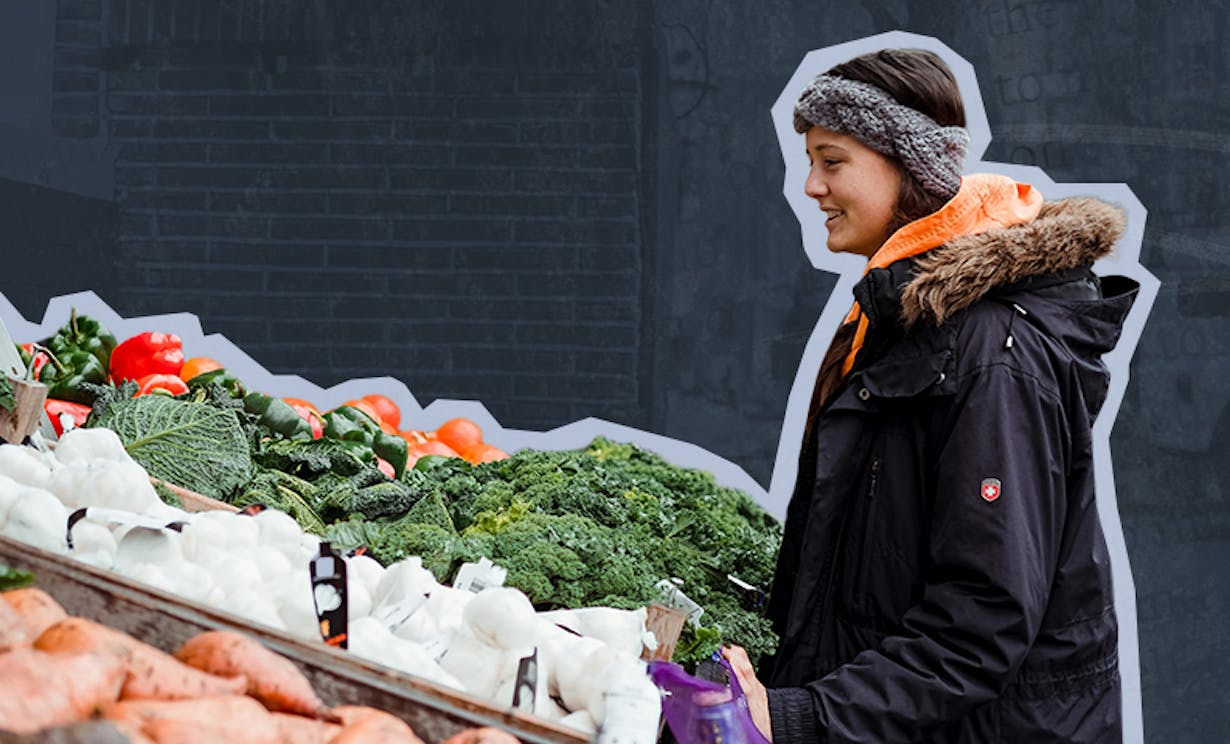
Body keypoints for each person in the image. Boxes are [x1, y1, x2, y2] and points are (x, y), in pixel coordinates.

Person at [721, 48, 1138, 743]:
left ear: (910, 167)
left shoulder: (992, 353)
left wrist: (799, 717)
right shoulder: (900, 317)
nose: (810, 187)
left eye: (832, 160)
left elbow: (982, 621)